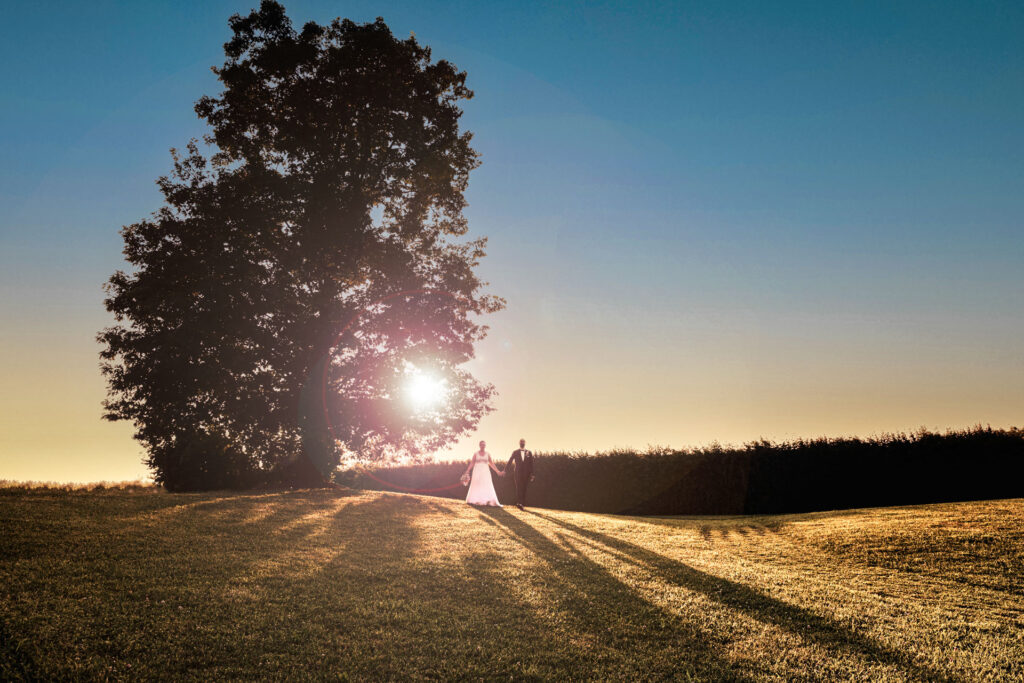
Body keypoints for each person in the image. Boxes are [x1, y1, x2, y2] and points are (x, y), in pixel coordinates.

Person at [463, 440, 504, 506]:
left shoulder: (488, 454)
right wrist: (468, 470)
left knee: (486, 484)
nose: (483, 446)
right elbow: (472, 463)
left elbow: (491, 463)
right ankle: (475, 500)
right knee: (476, 484)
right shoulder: (475, 453)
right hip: (477, 471)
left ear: (485, 446)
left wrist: (497, 471)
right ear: (479, 445)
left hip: (485, 472)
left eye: (484, 445)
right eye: (482, 445)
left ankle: (487, 501)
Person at [505, 438, 535, 510]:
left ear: (525, 443)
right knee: (518, 487)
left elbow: (531, 464)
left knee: (524, 488)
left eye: (523, 442)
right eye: (521, 442)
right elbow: (510, 461)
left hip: (526, 473)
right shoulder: (515, 452)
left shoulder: (529, 452)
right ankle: (519, 503)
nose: (522, 443)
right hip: (517, 472)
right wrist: (505, 470)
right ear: (519, 443)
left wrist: (532, 474)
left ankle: (522, 503)